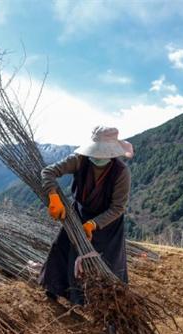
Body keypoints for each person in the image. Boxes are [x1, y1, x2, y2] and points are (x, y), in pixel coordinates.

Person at [39, 126, 133, 305]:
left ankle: (103, 303)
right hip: (78, 214)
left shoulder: (121, 173)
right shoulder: (79, 160)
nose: (98, 157)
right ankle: (54, 289)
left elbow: (118, 207)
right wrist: (53, 196)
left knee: (106, 263)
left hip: (107, 224)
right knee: (62, 248)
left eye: (103, 153)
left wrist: (93, 224)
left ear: (112, 153)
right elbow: (48, 172)